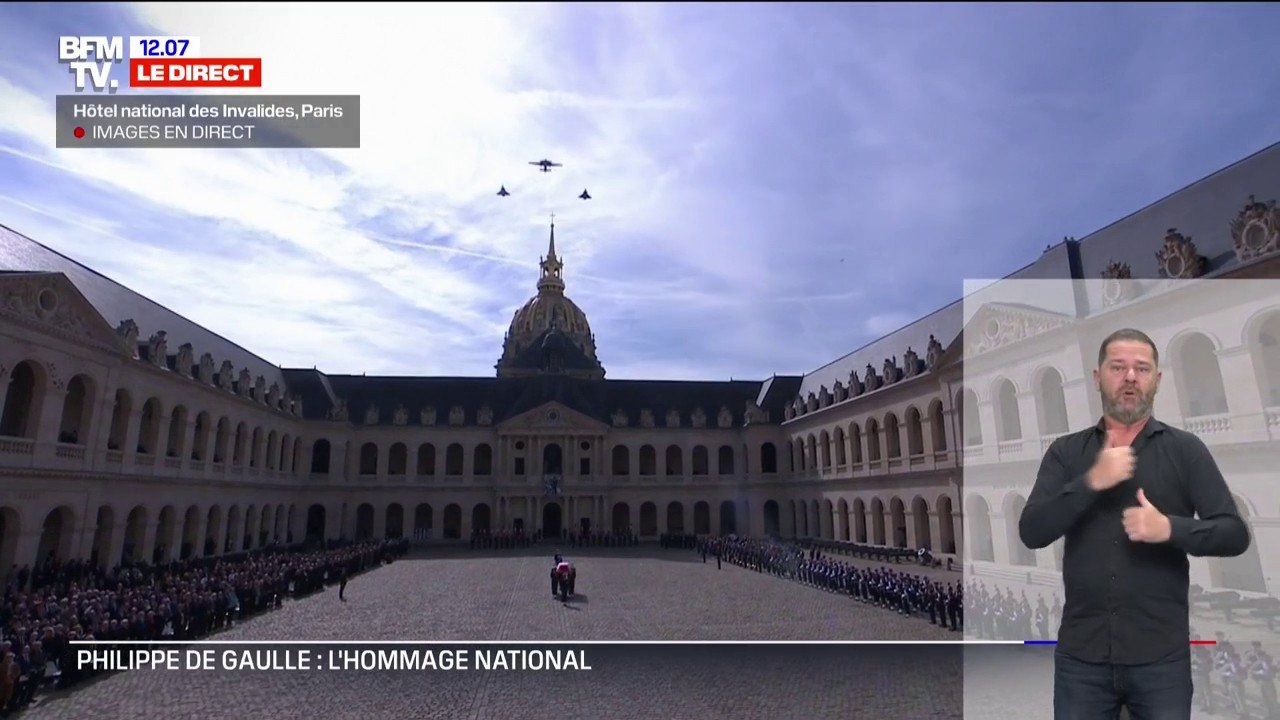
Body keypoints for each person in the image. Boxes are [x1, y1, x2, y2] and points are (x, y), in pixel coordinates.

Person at [1018, 328, 1250, 719]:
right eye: (1118, 367)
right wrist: (1091, 481)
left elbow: (1234, 533)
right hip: (1082, 661)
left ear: (1157, 379)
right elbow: (1032, 531)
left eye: (1141, 368)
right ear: (1097, 377)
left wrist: (1170, 529)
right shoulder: (1066, 453)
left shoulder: (1185, 450)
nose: (1130, 377)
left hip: (1161, 662)